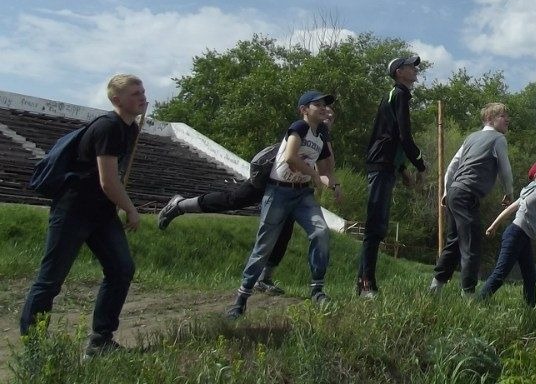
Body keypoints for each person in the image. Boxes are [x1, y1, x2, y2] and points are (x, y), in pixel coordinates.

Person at [20, 74, 147, 358]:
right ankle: (34, 349)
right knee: (50, 280)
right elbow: (109, 181)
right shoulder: (108, 127)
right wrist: (130, 209)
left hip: (101, 213)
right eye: (134, 93)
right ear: (116, 100)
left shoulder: (129, 128)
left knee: (121, 269)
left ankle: (100, 341)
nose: (142, 97)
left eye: (142, 91)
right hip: (73, 209)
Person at [157, 109, 336, 296]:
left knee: (285, 228)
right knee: (233, 200)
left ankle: (264, 278)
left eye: (332, 115)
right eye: (325, 112)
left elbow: (327, 168)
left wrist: (327, 138)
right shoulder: (303, 128)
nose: (328, 116)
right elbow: (297, 158)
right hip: (271, 177)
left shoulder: (321, 137)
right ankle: (180, 205)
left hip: (292, 188)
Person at [226, 91, 342, 319]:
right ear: (304, 110)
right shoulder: (298, 127)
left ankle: (317, 290)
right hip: (279, 192)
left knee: (320, 233)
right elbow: (290, 157)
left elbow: (326, 170)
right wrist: (314, 175)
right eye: (316, 104)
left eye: (324, 105)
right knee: (264, 245)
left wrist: (334, 185)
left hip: (302, 195)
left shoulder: (322, 133)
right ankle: (241, 298)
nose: (322, 107)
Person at [357, 54, 427, 298]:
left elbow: (390, 136)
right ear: (399, 72)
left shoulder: (398, 95)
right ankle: (366, 285)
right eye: (410, 66)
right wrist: (420, 164)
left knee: (378, 225)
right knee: (375, 225)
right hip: (380, 165)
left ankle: (363, 283)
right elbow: (404, 137)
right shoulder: (398, 94)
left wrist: (401, 169)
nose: (415, 69)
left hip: (386, 165)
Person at [429, 102, 514, 296]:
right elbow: (505, 168)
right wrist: (509, 192)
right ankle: (468, 293)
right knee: (471, 244)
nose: (507, 119)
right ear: (490, 119)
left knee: (455, 242)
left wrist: (445, 192)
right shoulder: (498, 139)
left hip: (455, 193)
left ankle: (435, 288)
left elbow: (452, 166)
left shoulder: (470, 138)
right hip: (466, 195)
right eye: (503, 116)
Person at [477, 160, 536, 307]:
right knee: (500, 274)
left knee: (530, 276)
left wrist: (493, 226)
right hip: (517, 235)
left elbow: (509, 210)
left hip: (521, 236)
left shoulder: (527, 192)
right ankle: (477, 302)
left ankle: (530, 310)